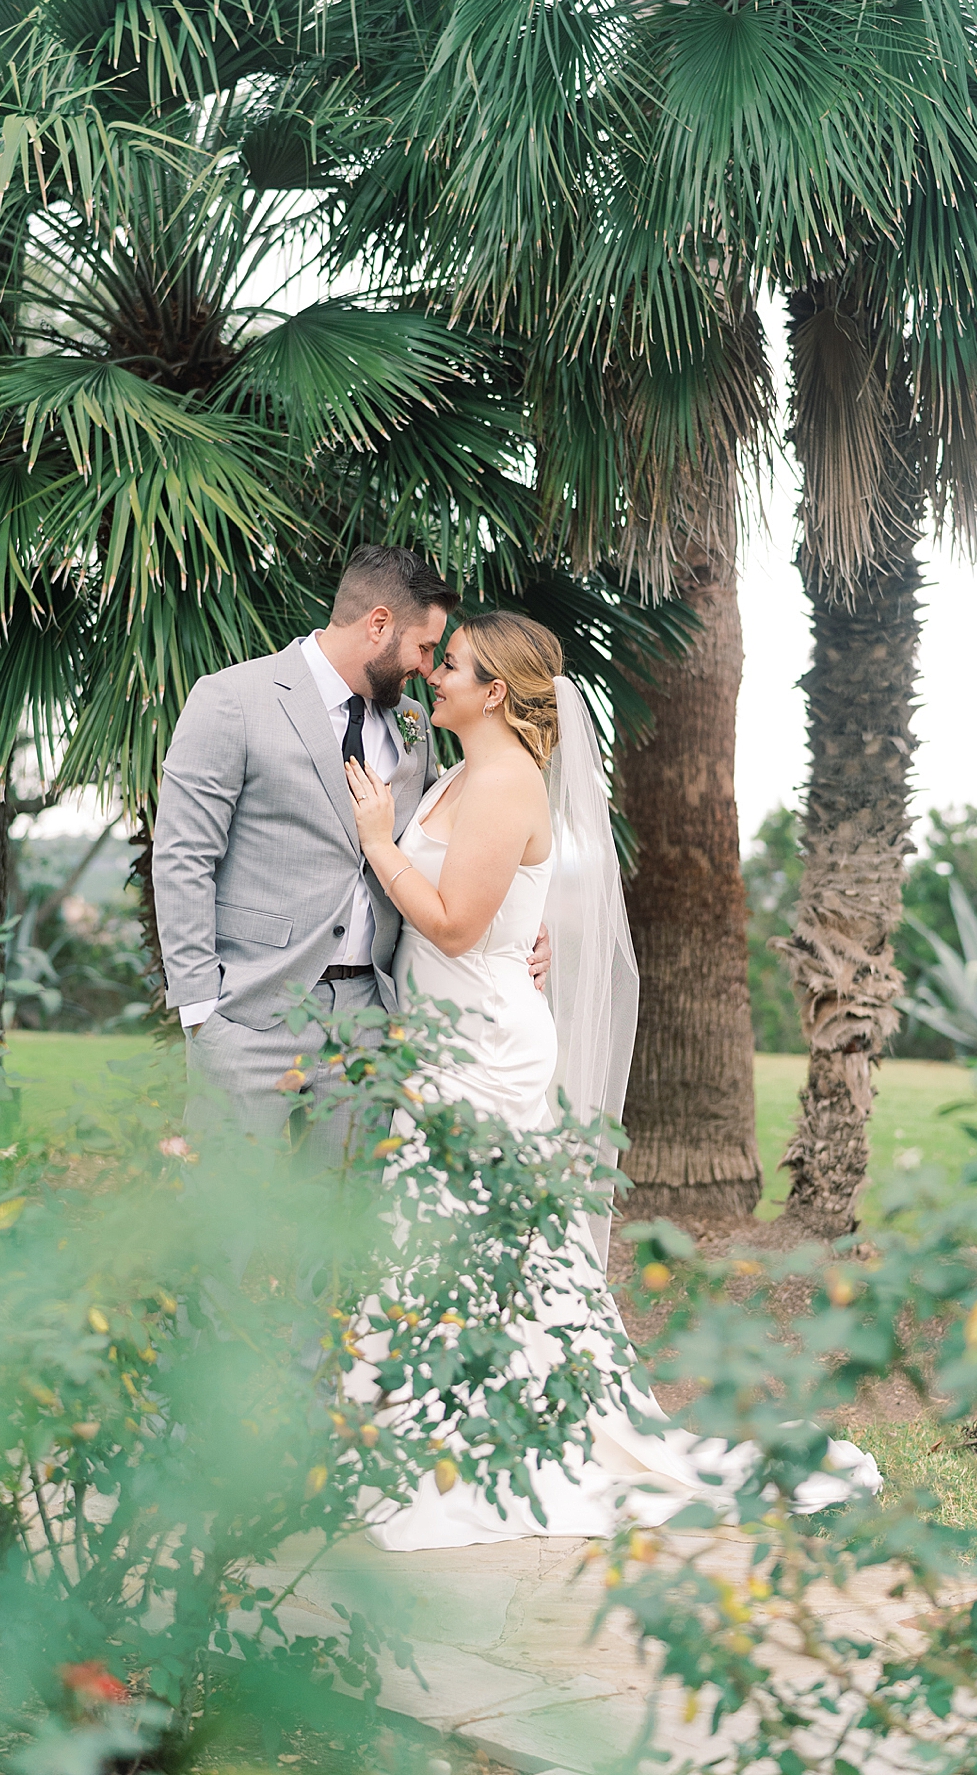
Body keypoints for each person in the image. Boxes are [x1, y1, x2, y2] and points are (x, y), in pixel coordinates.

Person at [343, 610, 880, 1547]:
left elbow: (458, 924)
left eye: (453, 665)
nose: (435, 674)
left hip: (483, 1049)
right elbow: (501, 914)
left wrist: (379, 841)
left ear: (495, 691)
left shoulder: (505, 780)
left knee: (484, 1240)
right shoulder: (466, 770)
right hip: (449, 1033)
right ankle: (416, 1424)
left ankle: (494, 1439)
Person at [151, 547, 551, 1164]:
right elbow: (183, 857)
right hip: (251, 1013)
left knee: (343, 1236)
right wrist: (203, 1011)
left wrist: (522, 922)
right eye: (425, 649)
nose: (426, 669)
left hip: (372, 1017)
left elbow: (458, 844)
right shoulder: (234, 698)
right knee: (220, 1227)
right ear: (379, 624)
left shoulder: (417, 723)